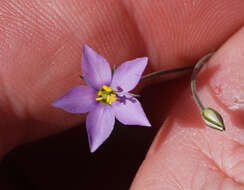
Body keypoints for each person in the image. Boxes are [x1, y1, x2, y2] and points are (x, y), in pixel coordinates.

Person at [1, 0, 244, 189]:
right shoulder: (99, 100)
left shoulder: (118, 79)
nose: (108, 95)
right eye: (105, 95)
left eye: (107, 94)